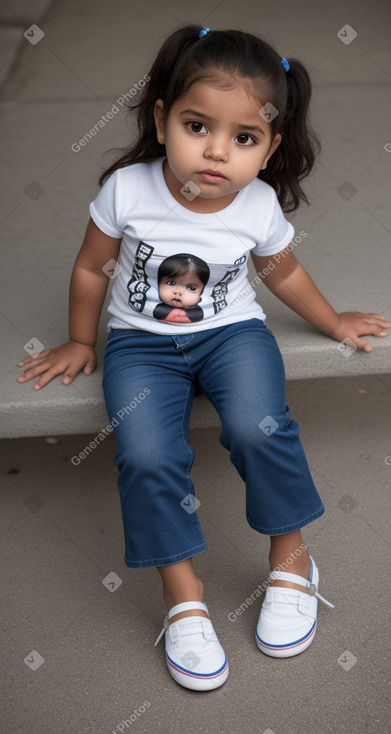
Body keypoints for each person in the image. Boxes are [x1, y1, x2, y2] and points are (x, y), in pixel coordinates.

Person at [17, 25, 390, 692]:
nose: (217, 151)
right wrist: (82, 340)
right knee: (147, 455)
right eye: (197, 126)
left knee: (258, 426)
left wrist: (334, 321)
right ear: (161, 121)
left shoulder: (256, 204)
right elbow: (90, 269)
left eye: (243, 138)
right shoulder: (127, 191)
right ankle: (182, 595)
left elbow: (280, 274)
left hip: (232, 338)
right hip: (139, 347)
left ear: (270, 147)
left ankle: (292, 560)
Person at [153, 253, 209, 322]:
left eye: (191, 288)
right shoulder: (154, 308)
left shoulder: (199, 312)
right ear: (159, 283)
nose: (178, 292)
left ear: (201, 292)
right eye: (171, 283)